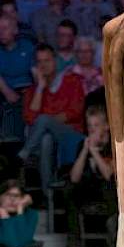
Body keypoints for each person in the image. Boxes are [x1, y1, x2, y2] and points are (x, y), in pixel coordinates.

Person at [18, 43, 86, 191]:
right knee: (45, 139)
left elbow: (75, 112)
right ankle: (47, 191)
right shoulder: (32, 91)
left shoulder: (72, 81)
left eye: (47, 60)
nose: (43, 65)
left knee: (43, 120)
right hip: (45, 139)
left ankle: (24, 155)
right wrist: (40, 88)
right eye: (39, 62)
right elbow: (30, 119)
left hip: (71, 135)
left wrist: (48, 121)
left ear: (55, 61)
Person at [59, 105, 115, 247]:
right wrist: (85, 150)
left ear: (106, 127)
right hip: (90, 188)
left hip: (110, 191)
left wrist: (95, 154)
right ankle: (75, 243)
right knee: (69, 188)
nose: (92, 129)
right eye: (89, 125)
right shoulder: (82, 145)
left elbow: (109, 174)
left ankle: (112, 242)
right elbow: (74, 177)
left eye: (96, 125)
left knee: (109, 186)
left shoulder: (113, 146)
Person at [0, 14, 34, 141]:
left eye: (5, 28)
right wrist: (7, 92)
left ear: (15, 30)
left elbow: (36, 73)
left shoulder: (28, 46)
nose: (1, 32)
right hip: (3, 92)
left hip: (26, 90)